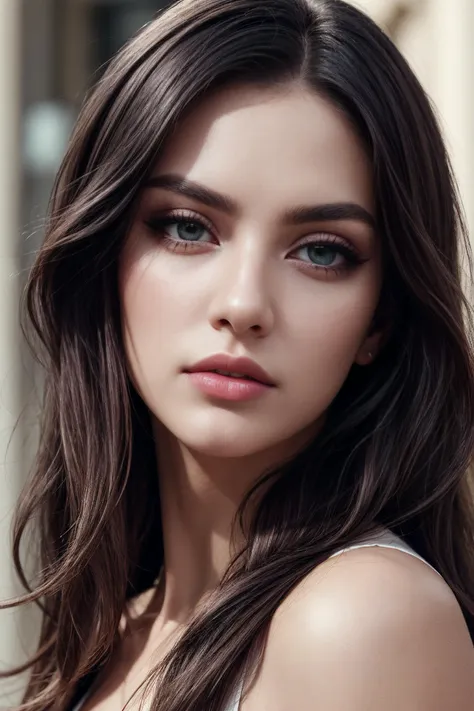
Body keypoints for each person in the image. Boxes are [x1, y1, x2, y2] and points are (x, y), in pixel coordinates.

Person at [2, 0, 474, 709]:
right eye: (188, 227)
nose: (245, 303)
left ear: (382, 317)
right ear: (104, 259)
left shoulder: (362, 621)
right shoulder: (118, 632)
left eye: (322, 251)